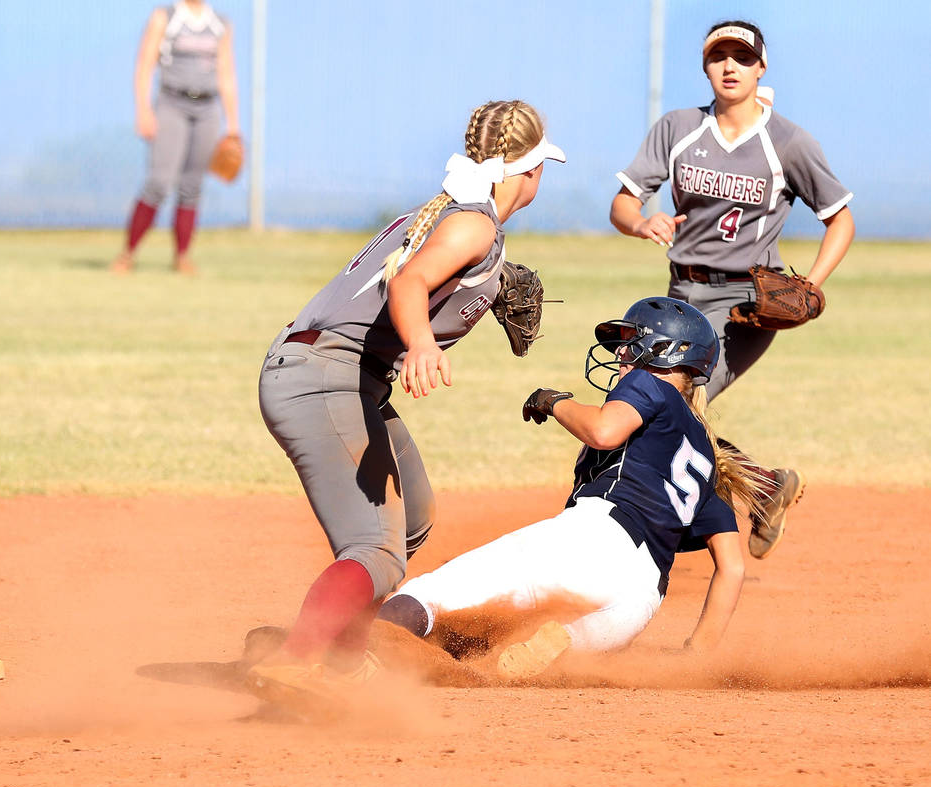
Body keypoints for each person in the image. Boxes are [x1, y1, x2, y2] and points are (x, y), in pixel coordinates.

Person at [246, 100, 566, 709]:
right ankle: (298, 661)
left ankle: (343, 654)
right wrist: (422, 341)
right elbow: (409, 282)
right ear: (526, 171)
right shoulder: (473, 225)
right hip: (324, 376)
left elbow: (430, 273)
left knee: (413, 515)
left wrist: (492, 286)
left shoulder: (453, 217)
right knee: (377, 549)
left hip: (342, 377)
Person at [378, 297, 762, 680]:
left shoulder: (649, 385)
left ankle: (342, 663)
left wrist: (554, 401)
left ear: (666, 351)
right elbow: (732, 567)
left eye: (633, 340)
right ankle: (556, 643)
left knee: (428, 597)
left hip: (593, 543)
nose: (622, 353)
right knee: (493, 647)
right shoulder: (708, 464)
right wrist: (697, 652)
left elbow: (603, 431)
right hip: (636, 603)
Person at [609, 20, 854, 558]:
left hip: (745, 304)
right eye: (719, 55)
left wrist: (810, 285)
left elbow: (841, 220)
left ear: (760, 67)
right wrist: (641, 222)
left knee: (668, 403)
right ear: (705, 66)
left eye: (742, 57)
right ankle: (765, 488)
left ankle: (677, 523)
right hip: (678, 298)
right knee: (646, 402)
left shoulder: (787, 142)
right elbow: (623, 204)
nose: (729, 66)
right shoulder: (677, 128)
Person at [111, 1, 241, 275]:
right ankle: (127, 254)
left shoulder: (220, 23)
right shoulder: (165, 17)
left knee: (192, 186)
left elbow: (226, 74)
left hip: (207, 109)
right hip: (172, 104)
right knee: (159, 182)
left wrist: (233, 126)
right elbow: (145, 65)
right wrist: (143, 110)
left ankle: (182, 257)